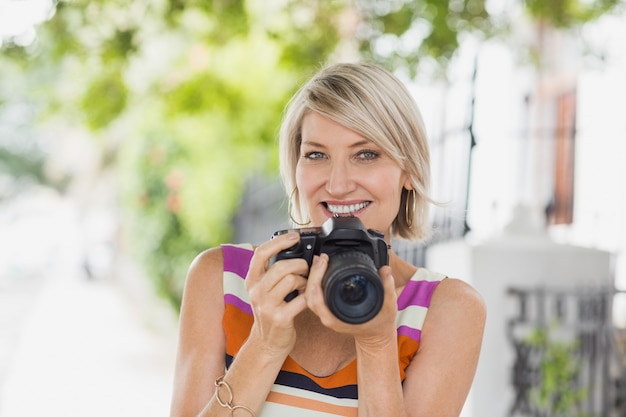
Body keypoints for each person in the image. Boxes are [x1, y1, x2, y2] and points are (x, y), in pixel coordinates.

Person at [169, 62, 486, 417]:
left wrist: (376, 343)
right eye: (317, 155)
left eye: (366, 154)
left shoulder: (446, 310)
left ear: (408, 170)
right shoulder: (223, 278)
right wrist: (265, 344)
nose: (337, 184)